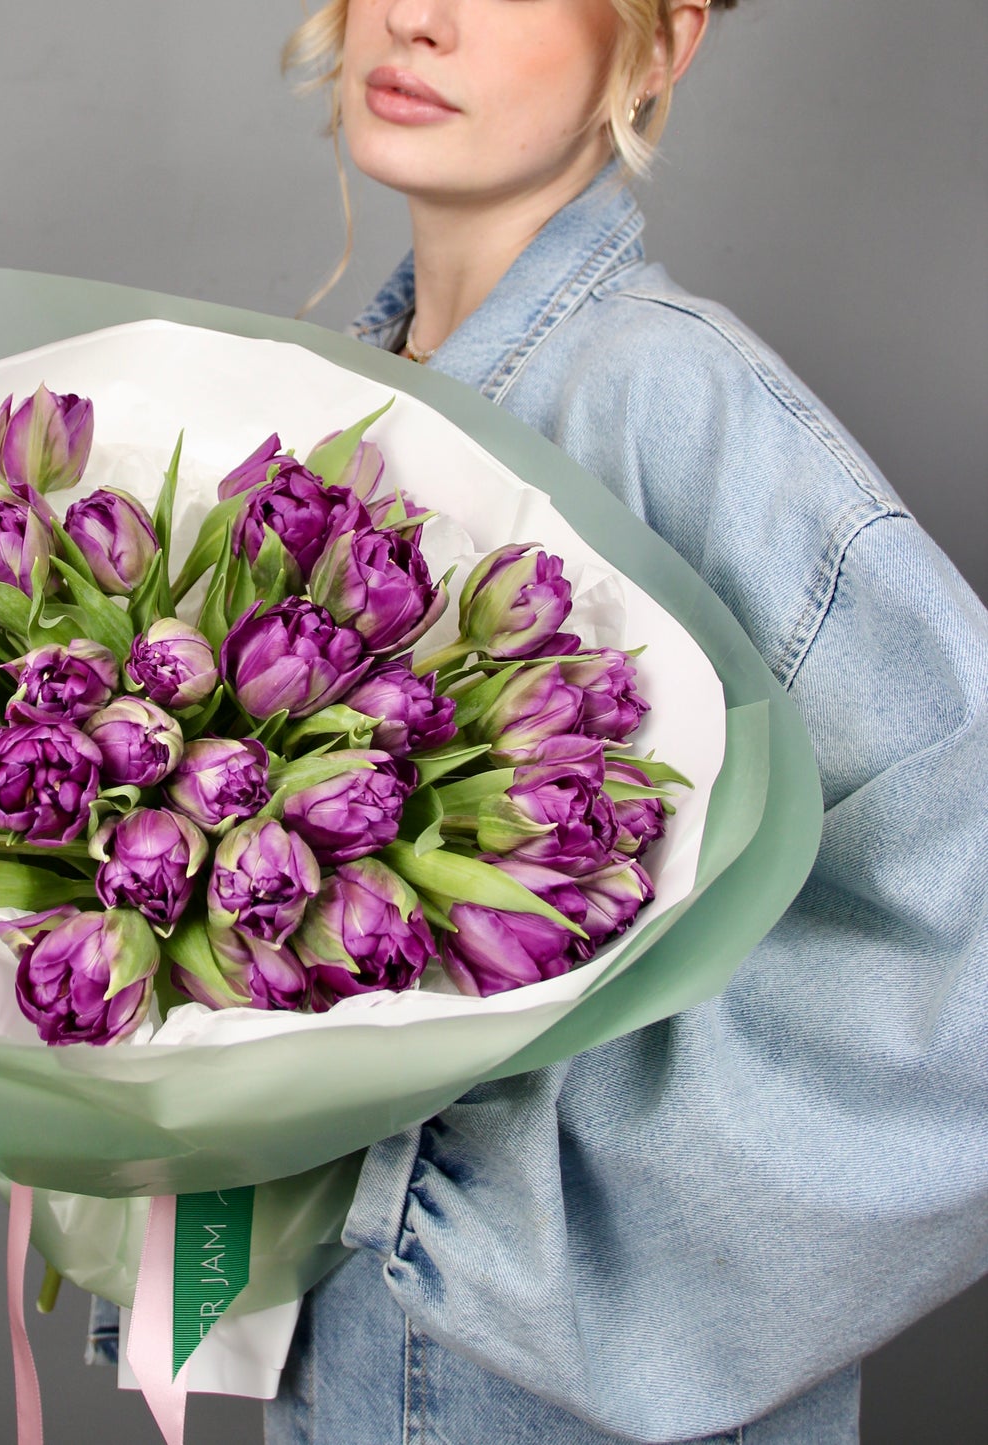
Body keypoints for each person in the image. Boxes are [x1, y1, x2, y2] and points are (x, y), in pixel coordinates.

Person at [259, 3, 988, 1443]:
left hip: (546, 1391)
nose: (414, 16)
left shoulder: (670, 391)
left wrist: (497, 1197)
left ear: (657, 47)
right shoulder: (325, 396)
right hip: (351, 1362)